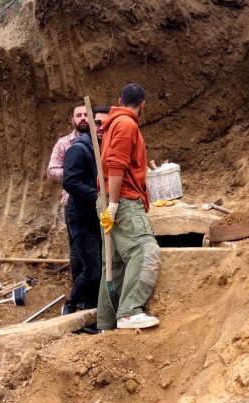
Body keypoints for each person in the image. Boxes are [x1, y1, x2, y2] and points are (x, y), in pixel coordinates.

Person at [97, 84, 161, 330]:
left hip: (110, 198)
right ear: (142, 104)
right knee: (145, 250)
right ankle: (129, 311)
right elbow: (116, 165)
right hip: (122, 199)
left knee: (114, 264)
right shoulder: (126, 124)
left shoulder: (113, 124)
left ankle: (106, 323)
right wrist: (114, 205)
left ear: (119, 99)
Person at [62, 106, 110, 316]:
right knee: (92, 270)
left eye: (105, 124)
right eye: (98, 122)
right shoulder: (79, 148)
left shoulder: (105, 148)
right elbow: (70, 182)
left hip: (99, 217)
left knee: (100, 269)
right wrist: (99, 197)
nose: (101, 127)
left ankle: (91, 310)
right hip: (82, 218)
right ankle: (71, 305)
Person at [47, 101, 89, 208]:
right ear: (72, 120)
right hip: (73, 203)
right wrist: (73, 172)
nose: (83, 118)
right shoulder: (64, 143)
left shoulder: (100, 141)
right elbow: (51, 171)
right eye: (78, 115)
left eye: (86, 114)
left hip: (98, 201)